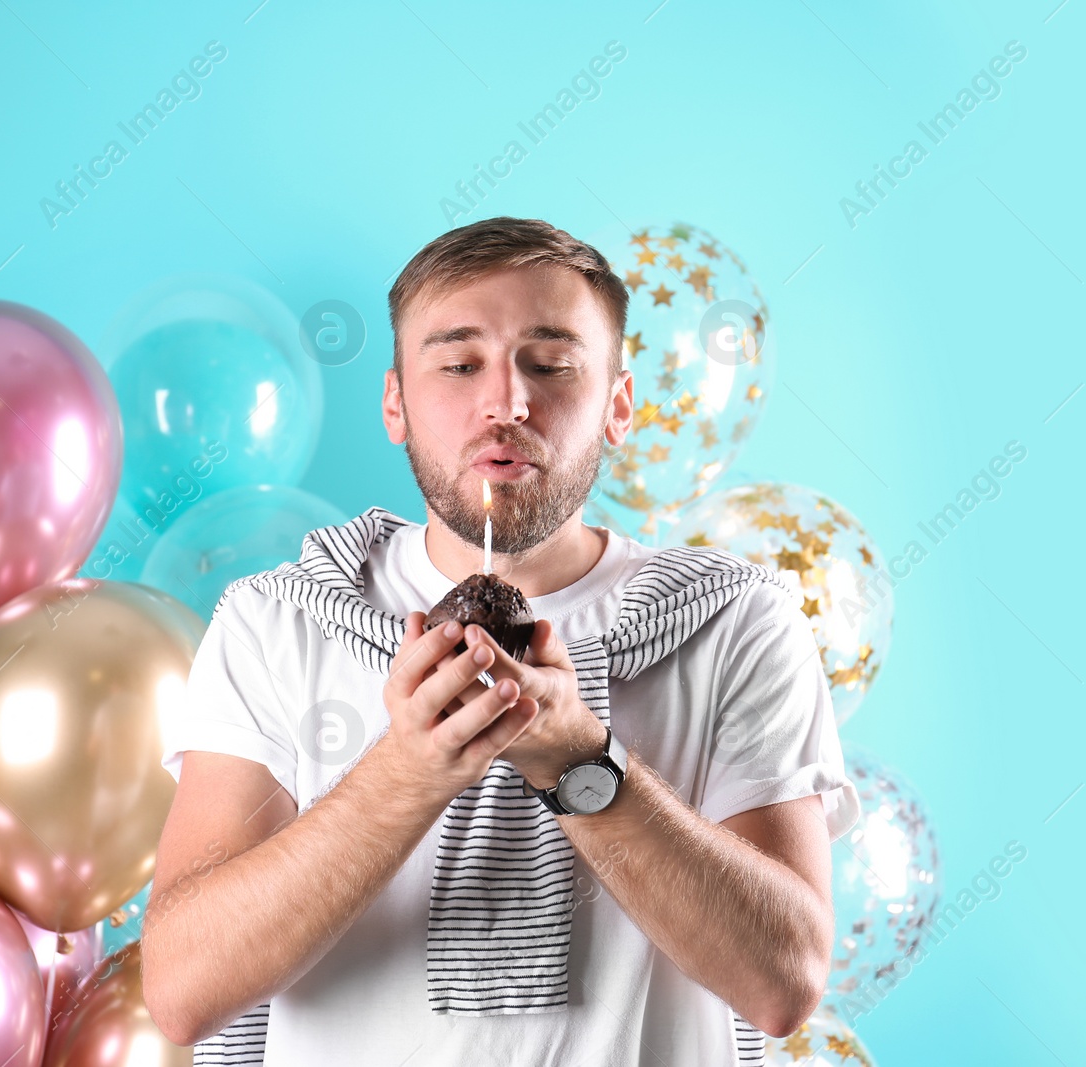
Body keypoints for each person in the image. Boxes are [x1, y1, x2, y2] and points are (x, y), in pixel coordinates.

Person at [141, 216, 860, 1065]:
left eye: (551, 364)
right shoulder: (276, 621)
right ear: (395, 404)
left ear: (619, 403)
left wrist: (581, 762)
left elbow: (783, 980)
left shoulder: (738, 623)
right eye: (458, 363)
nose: (506, 403)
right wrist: (404, 775)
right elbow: (183, 988)